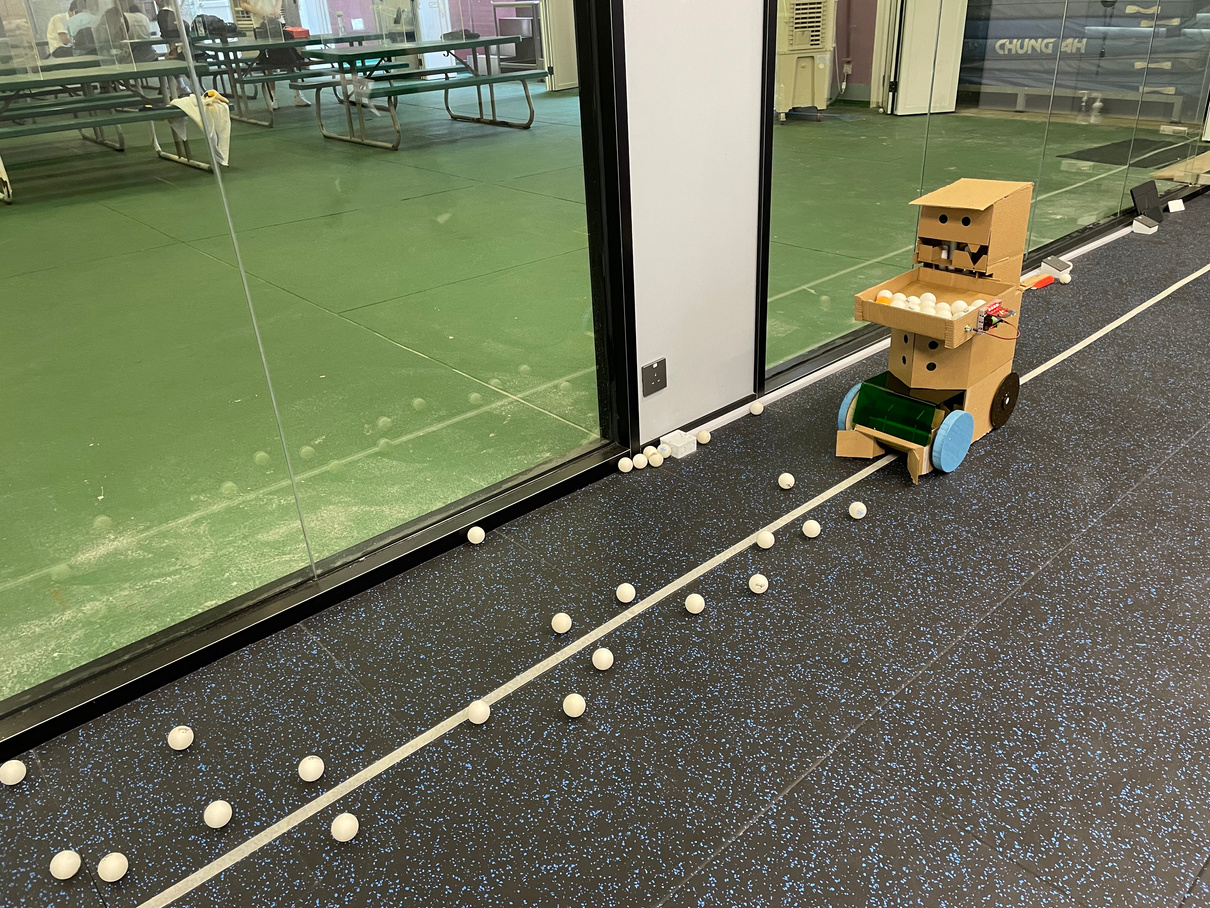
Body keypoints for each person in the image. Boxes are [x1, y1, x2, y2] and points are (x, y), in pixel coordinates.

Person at [239, 0, 309, 107]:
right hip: (260, 24)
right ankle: (273, 98)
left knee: (290, 59)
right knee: (267, 63)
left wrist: (277, 8)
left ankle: (297, 95)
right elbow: (243, 4)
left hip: (277, 21)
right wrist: (260, 12)